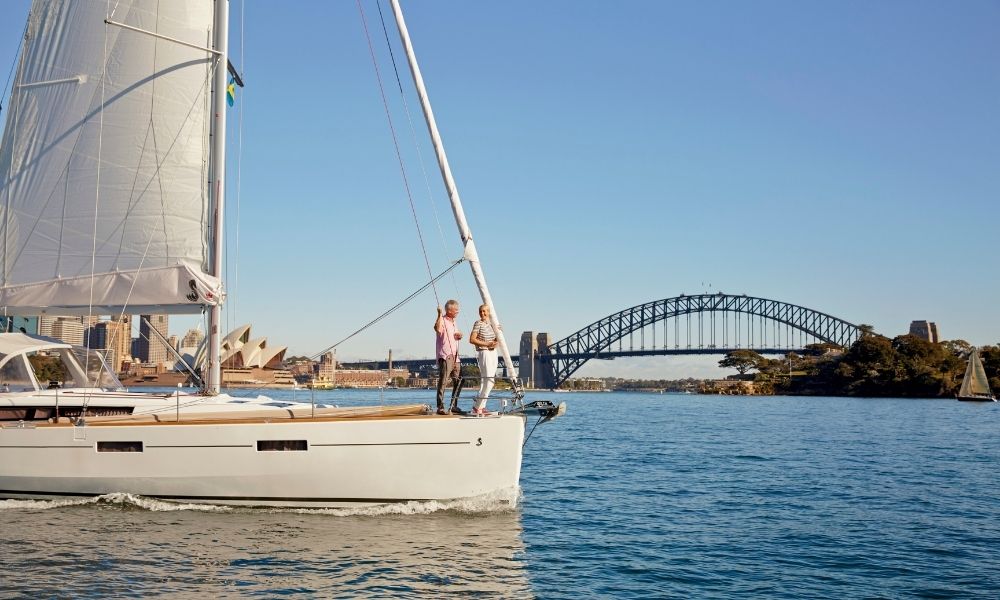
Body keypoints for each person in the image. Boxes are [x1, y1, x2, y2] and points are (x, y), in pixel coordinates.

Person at [434, 299, 465, 415]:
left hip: (456, 356)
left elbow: (453, 336)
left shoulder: (454, 322)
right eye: (456, 310)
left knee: (459, 380)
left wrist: (459, 335)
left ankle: (453, 405)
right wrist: (438, 314)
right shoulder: (442, 319)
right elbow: (437, 329)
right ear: (449, 310)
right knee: (443, 381)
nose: (458, 311)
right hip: (446, 355)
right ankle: (440, 406)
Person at [469, 304, 499, 416]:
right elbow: (472, 339)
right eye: (481, 311)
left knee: (487, 381)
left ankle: (482, 407)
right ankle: (477, 407)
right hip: (484, 352)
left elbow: (496, 341)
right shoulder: (478, 323)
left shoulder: (492, 325)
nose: (483, 313)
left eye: (485, 311)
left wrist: (499, 333)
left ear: (489, 312)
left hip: (493, 352)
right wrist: (487, 344)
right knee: (489, 380)